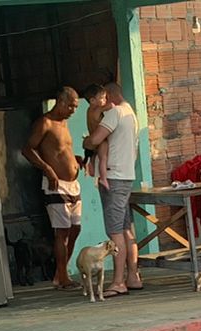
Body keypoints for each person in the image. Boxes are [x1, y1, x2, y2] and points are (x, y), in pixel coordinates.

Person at [21, 87, 83, 290]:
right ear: (61, 101)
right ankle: (63, 277)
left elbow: (62, 151)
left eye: (76, 106)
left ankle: (60, 271)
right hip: (56, 186)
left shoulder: (64, 124)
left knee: (76, 228)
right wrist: (48, 169)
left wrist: (76, 161)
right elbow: (28, 149)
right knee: (62, 231)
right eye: (72, 106)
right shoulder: (45, 123)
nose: (74, 110)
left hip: (73, 184)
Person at [85, 82, 141, 296]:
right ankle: (133, 276)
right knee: (126, 228)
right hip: (126, 176)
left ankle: (118, 282)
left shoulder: (115, 112)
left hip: (114, 177)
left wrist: (87, 142)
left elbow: (96, 139)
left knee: (115, 230)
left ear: (109, 96)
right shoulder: (130, 113)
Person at [80, 83, 109, 192]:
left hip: (92, 139)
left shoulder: (89, 110)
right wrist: (114, 106)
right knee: (103, 158)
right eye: (102, 98)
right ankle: (103, 178)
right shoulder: (97, 110)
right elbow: (110, 106)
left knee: (93, 157)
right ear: (92, 100)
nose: (105, 100)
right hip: (100, 140)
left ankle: (90, 167)